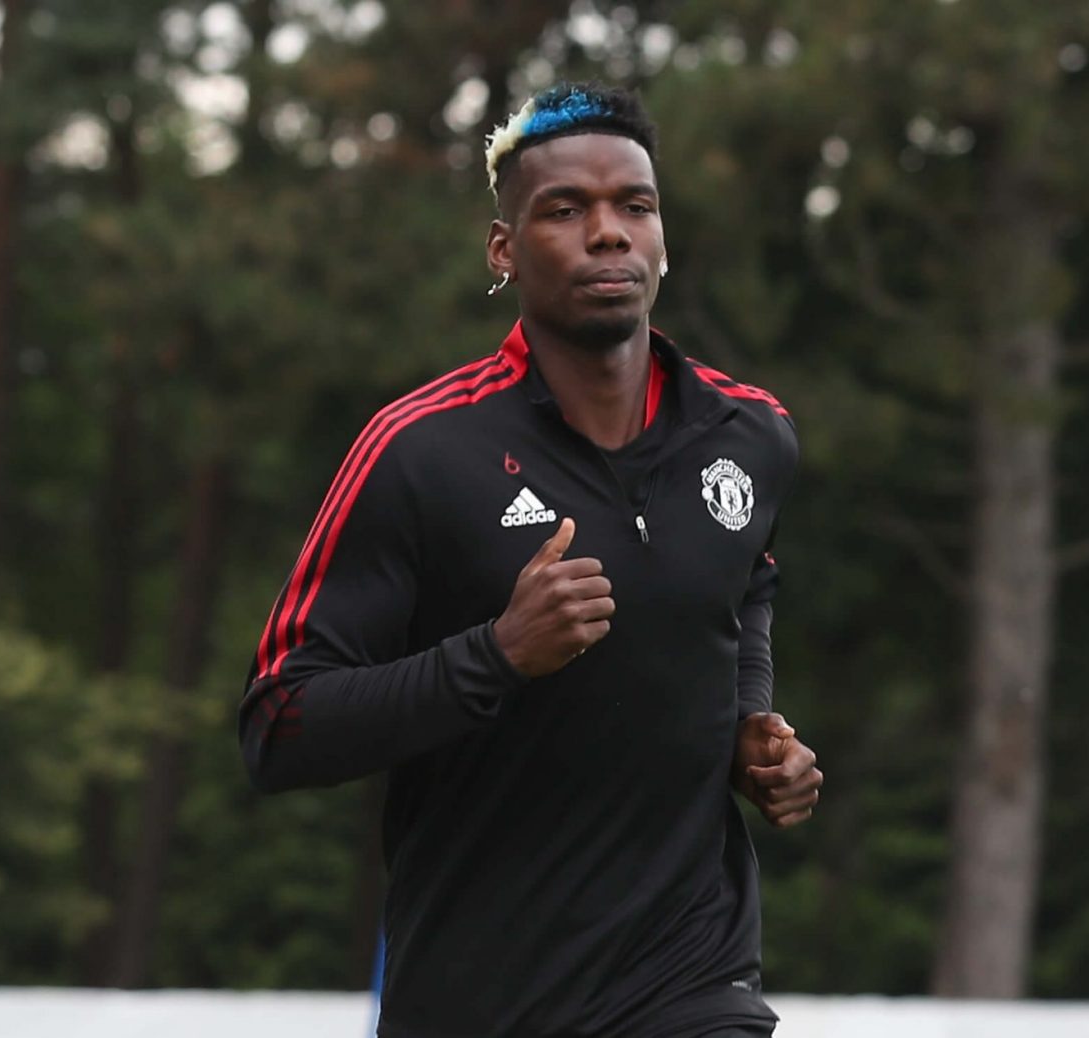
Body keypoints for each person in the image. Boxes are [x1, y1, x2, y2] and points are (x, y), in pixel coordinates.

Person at [238, 82, 822, 1038]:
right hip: (478, 999)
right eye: (565, 209)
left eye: (634, 206)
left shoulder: (751, 434)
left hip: (690, 977)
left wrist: (748, 723)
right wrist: (497, 654)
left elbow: (747, 584)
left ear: (662, 238)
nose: (608, 233)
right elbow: (278, 725)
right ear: (503, 250)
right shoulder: (419, 451)